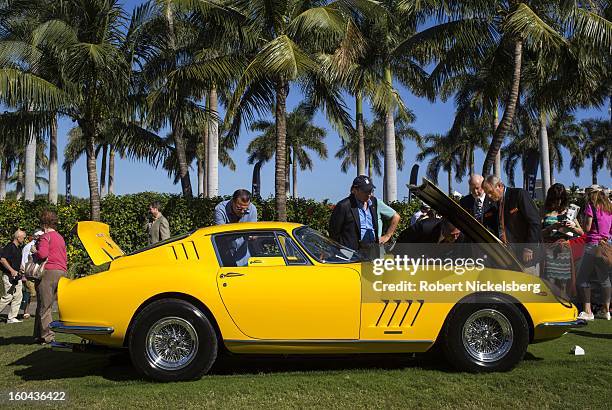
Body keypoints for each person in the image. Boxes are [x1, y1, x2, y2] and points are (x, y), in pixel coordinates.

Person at [482, 175, 542, 270]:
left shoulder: (519, 194)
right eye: (486, 193)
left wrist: (529, 248)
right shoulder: (494, 204)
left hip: (526, 254)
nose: (489, 196)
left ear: (500, 186)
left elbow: (535, 222)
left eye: (490, 192)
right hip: (507, 255)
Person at [576, 186, 612, 321]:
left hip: (592, 246)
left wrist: (578, 225)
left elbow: (587, 228)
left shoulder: (591, 207)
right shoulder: (609, 209)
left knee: (582, 278)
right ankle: (606, 310)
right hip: (605, 246)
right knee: (604, 279)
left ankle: (587, 311)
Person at [541, 184, 583, 295]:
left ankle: (564, 305)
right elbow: (538, 233)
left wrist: (572, 226)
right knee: (549, 280)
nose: (558, 202)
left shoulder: (568, 212)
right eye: (556, 199)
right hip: (548, 248)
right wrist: (552, 227)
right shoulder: (544, 211)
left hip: (563, 249)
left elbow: (581, 233)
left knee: (564, 281)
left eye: (561, 199)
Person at [33, 210, 67, 344]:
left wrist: (34, 251)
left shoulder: (45, 237)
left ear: (43, 223)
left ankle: (47, 336)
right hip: (61, 271)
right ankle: (38, 335)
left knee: (44, 307)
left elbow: (42, 254)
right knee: (44, 305)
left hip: (49, 272)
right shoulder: (59, 237)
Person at [329, 175, 380, 256]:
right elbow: (334, 233)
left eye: (371, 190)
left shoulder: (373, 202)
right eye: (365, 191)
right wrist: (343, 251)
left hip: (372, 251)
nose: (369, 194)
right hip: (352, 254)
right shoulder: (344, 206)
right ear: (355, 190)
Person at [0, 229, 26, 323]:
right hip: (8, 276)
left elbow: (15, 262)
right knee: (8, 297)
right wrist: (11, 270)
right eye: (23, 237)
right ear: (18, 237)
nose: (24, 239)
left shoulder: (19, 248)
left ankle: (11, 318)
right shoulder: (9, 247)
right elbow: (2, 260)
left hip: (17, 276)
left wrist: (20, 269)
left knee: (18, 296)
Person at [19, 230, 44, 319]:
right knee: (28, 293)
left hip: (38, 272)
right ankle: (26, 311)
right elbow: (24, 260)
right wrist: (23, 274)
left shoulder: (41, 245)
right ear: (35, 236)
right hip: (29, 273)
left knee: (38, 293)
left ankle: (39, 311)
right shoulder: (28, 246)